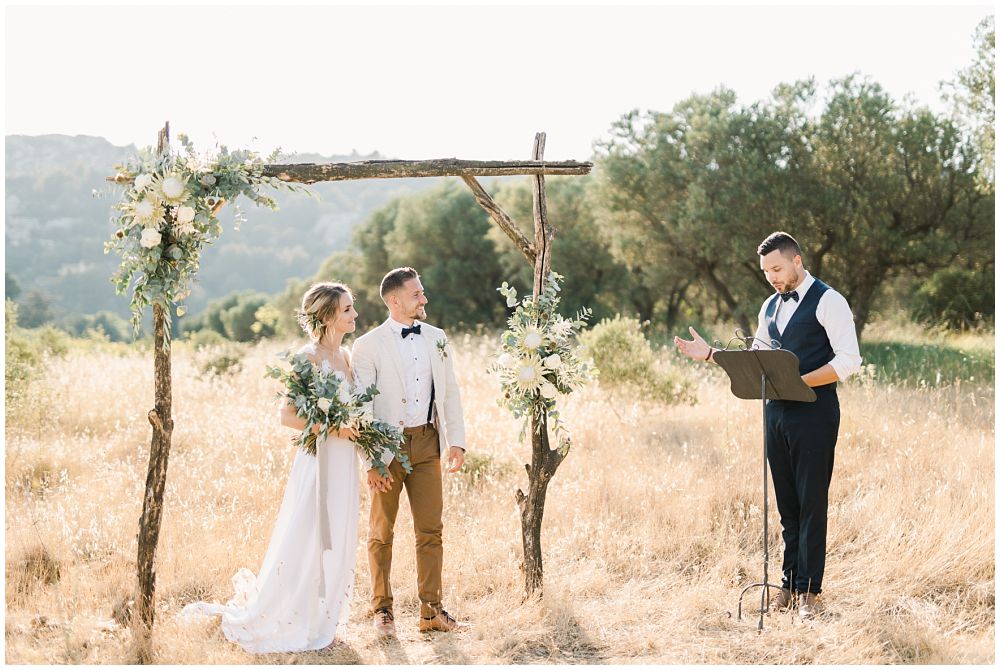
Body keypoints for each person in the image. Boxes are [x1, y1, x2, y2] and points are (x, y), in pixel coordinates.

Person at [674, 232, 861, 619]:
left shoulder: (829, 301)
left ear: (797, 261)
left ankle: (811, 594)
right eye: (765, 272)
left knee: (811, 503)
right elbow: (757, 358)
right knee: (787, 508)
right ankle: (788, 587)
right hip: (775, 413)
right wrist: (711, 354)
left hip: (814, 412)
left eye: (776, 268)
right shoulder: (769, 306)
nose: (772, 277)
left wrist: (798, 381)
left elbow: (848, 361)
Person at [181, 282, 362, 652]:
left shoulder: (346, 358)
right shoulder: (306, 357)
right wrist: (334, 426)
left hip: (346, 460)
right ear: (327, 316)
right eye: (346, 309)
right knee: (309, 533)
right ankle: (289, 612)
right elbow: (287, 415)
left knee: (339, 535)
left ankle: (322, 614)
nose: (354, 314)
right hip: (320, 459)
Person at [351, 267, 468, 637]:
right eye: (417, 294)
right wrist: (371, 461)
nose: (424, 299)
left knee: (431, 530)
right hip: (386, 448)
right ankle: (382, 611)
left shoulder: (438, 337)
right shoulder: (367, 345)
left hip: (428, 442)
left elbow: (450, 392)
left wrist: (457, 441)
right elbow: (360, 407)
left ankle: (431, 611)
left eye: (422, 292)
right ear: (394, 300)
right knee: (381, 532)